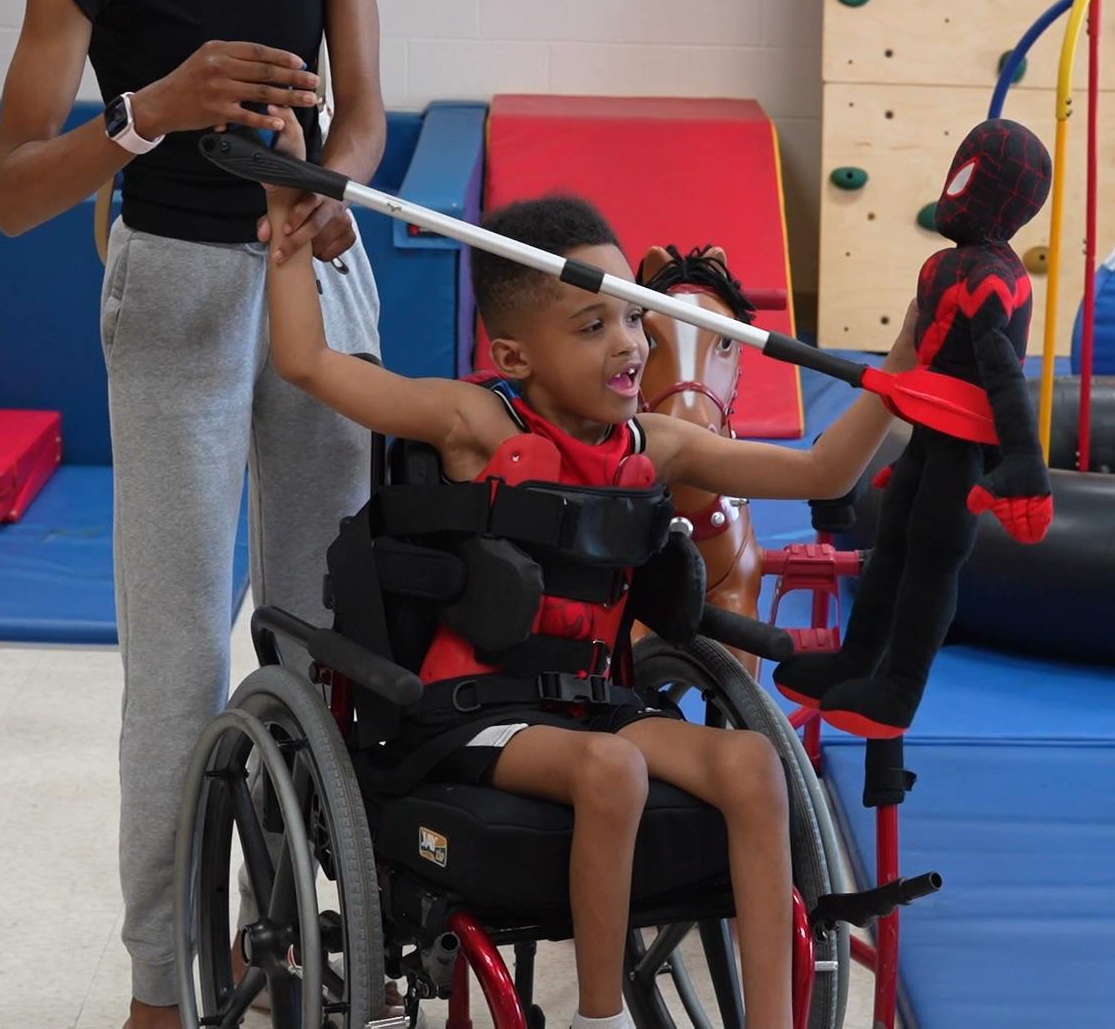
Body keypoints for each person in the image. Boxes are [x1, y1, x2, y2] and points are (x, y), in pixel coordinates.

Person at [254, 106, 919, 1029]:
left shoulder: (658, 442)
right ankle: (597, 1017)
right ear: (514, 353)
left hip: (597, 704)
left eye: (634, 319)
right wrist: (288, 221)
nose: (630, 344)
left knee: (754, 766)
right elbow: (306, 362)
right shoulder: (474, 424)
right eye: (592, 323)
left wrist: (908, 354)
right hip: (474, 716)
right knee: (611, 772)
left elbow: (822, 470)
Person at [0, 0, 384, 1026]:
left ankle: (290, 937)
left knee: (327, 641)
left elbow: (364, 121)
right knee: (175, 666)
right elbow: (12, 193)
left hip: (315, 269)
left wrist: (333, 192)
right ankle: (161, 984)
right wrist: (147, 112)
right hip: (173, 288)